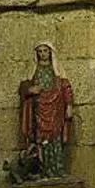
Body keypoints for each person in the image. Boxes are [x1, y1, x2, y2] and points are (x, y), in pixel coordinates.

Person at [19, 43, 74, 179]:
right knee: (40, 139)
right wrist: (30, 90)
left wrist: (69, 105)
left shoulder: (57, 70)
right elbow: (24, 87)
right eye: (40, 51)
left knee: (56, 139)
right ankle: (42, 170)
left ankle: (57, 168)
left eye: (45, 51)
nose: (43, 54)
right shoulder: (33, 69)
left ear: (50, 52)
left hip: (56, 109)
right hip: (39, 109)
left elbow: (66, 87)